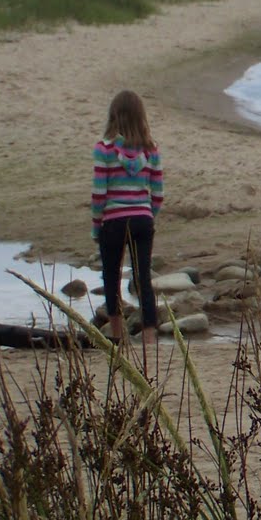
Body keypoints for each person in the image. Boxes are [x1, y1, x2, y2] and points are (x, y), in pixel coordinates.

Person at [92, 90, 164, 354]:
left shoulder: (104, 149)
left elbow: (99, 193)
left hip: (113, 221)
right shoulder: (151, 149)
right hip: (142, 220)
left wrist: (96, 224)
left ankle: (118, 338)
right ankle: (149, 339)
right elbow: (158, 193)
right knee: (142, 277)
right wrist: (148, 215)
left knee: (111, 276)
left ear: (114, 116)